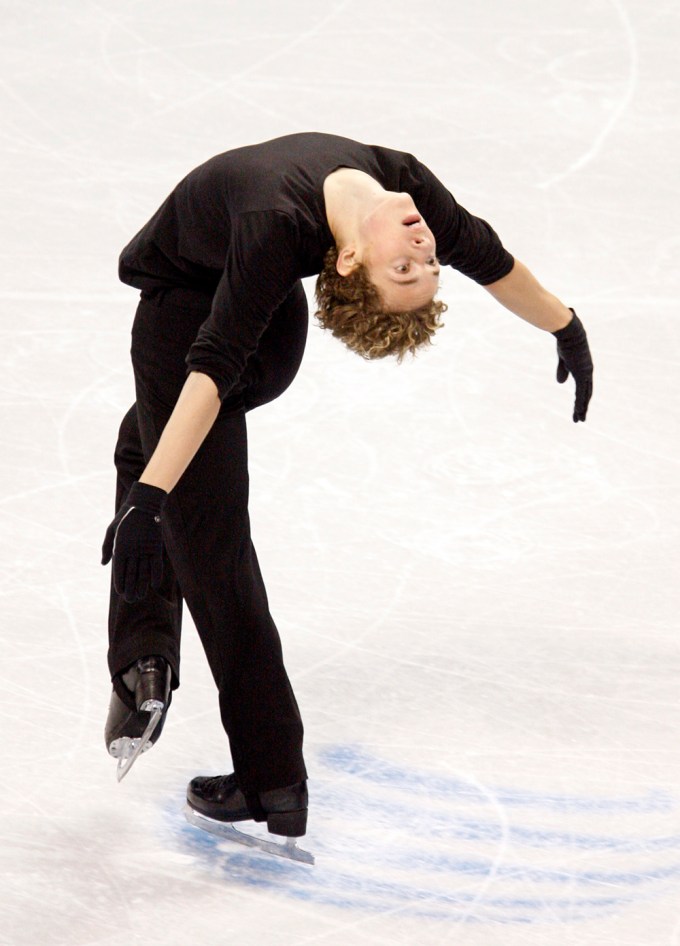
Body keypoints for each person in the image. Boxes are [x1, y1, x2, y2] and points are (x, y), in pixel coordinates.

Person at [101, 131, 593, 843]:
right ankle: (146, 654)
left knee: (205, 539)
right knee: (144, 451)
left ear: (352, 260)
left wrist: (150, 502)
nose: (424, 249)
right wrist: (567, 324)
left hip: (196, 327)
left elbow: (210, 367)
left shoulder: (277, 227)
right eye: (423, 264)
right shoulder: (405, 186)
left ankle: (268, 777)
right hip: (260, 320)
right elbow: (489, 257)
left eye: (407, 266)